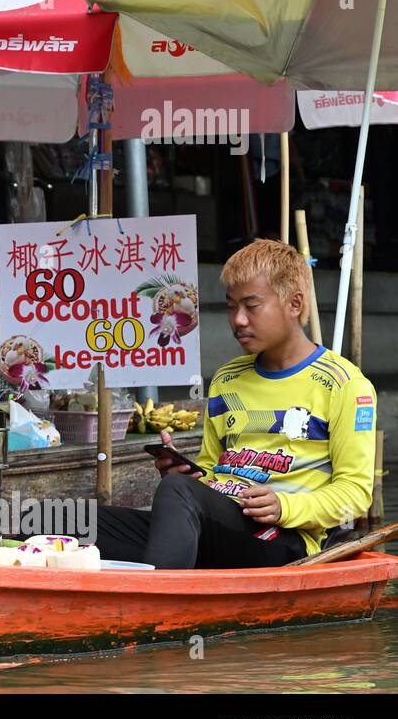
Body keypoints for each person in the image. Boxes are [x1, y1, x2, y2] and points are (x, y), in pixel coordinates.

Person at [92, 239, 375, 569]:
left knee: (177, 491)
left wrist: (285, 507)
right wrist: (189, 473)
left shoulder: (344, 385)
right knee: (71, 521)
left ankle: (160, 610)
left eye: (251, 306)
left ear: (295, 304)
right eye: (231, 306)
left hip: (281, 540)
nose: (238, 320)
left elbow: (355, 495)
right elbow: (213, 470)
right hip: (219, 526)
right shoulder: (227, 379)